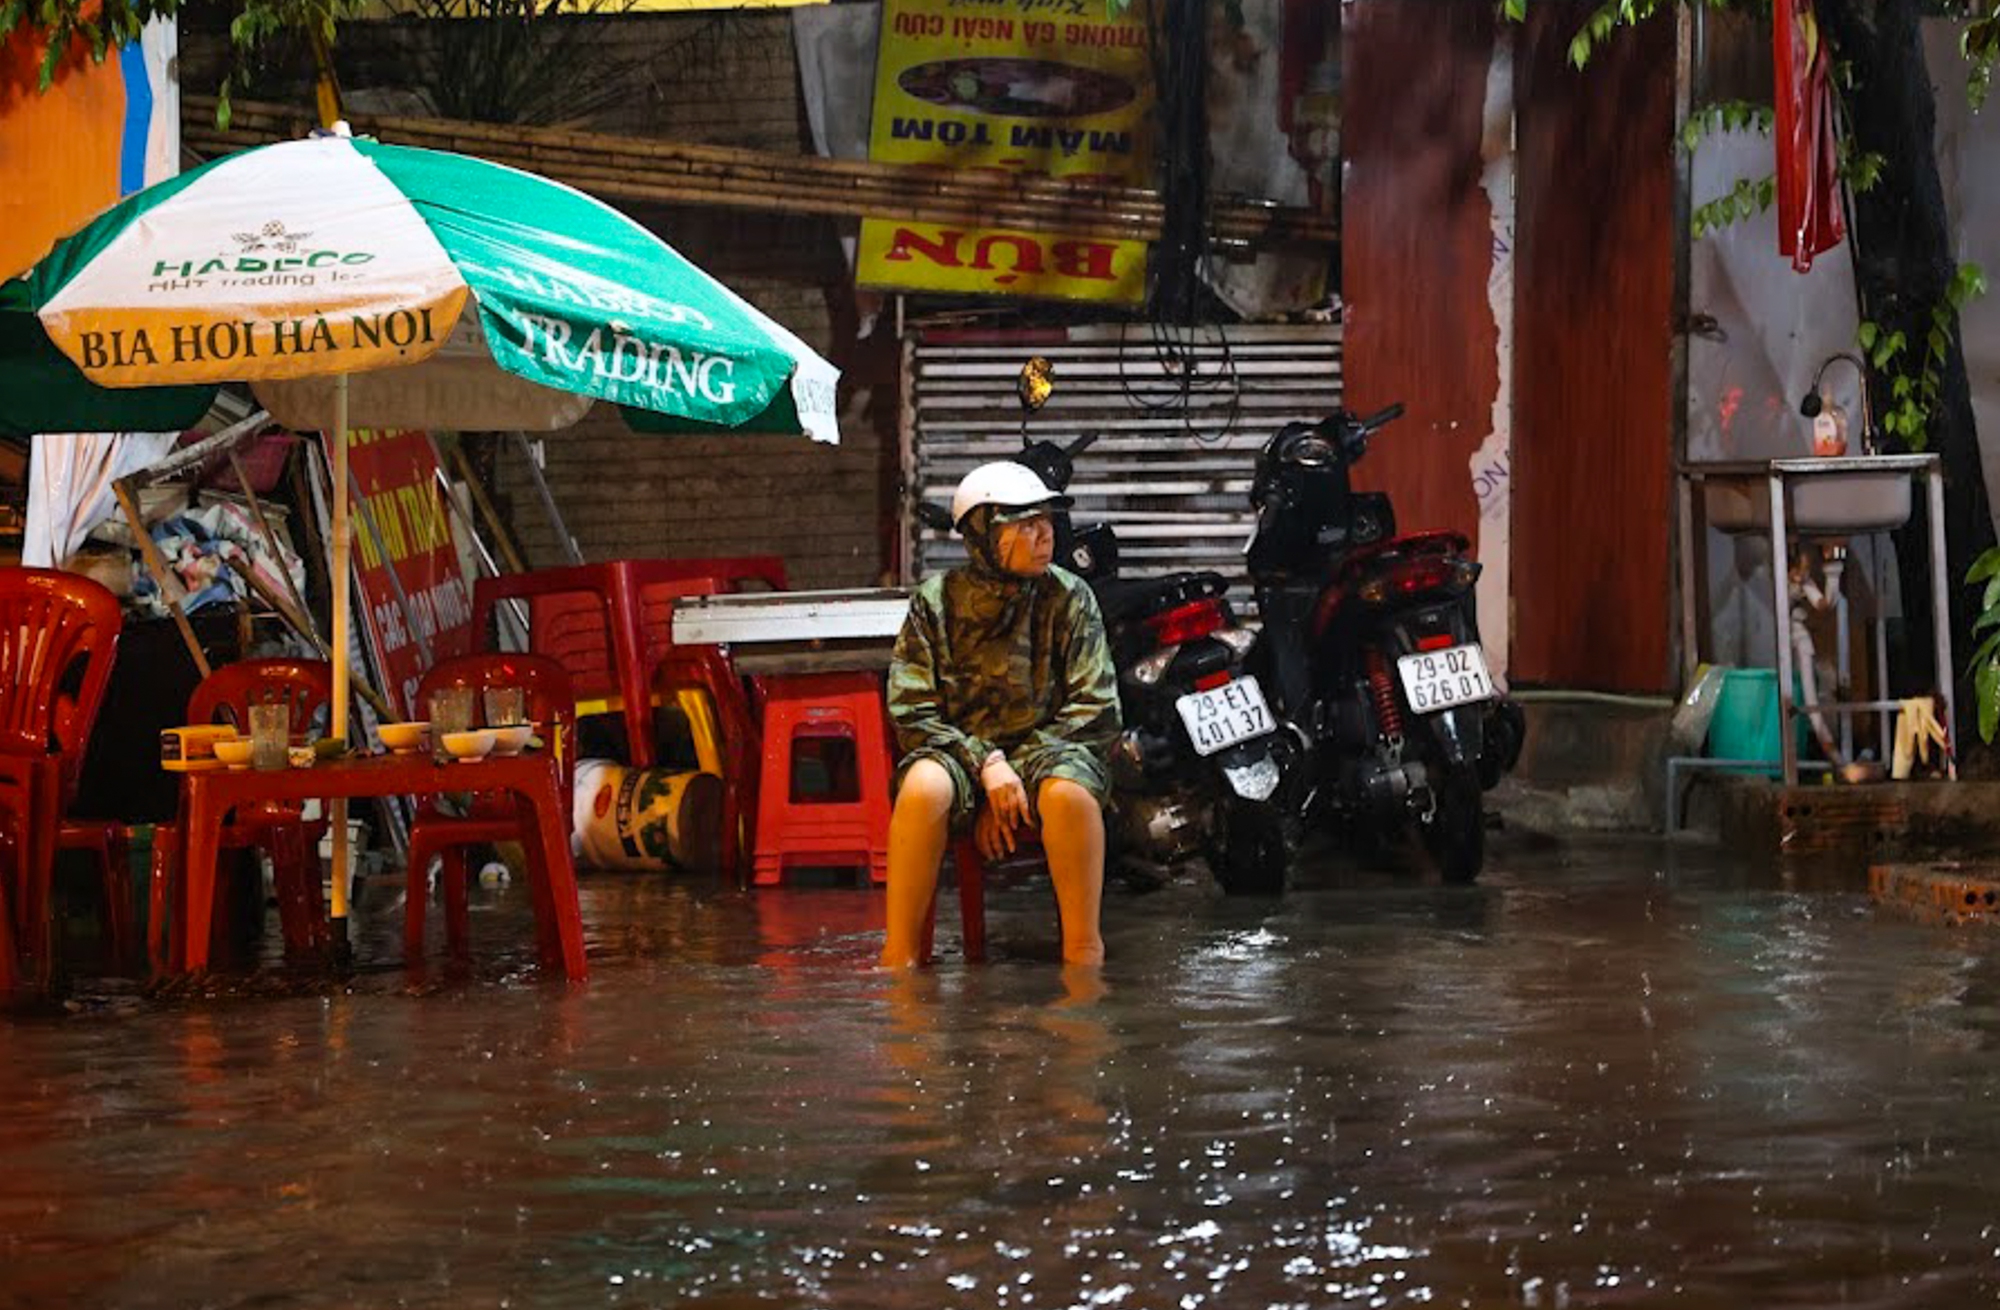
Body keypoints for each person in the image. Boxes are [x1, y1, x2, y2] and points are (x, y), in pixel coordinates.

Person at [879, 461, 1120, 968]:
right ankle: (898, 959)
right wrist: (987, 765)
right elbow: (911, 713)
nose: (1044, 536)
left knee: (1069, 794)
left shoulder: (1070, 598)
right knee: (923, 787)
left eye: (1047, 522)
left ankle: (1084, 953)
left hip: (1049, 757)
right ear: (984, 534)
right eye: (1025, 525)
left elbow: (1094, 709)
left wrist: (1011, 775)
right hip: (963, 764)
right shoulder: (936, 603)